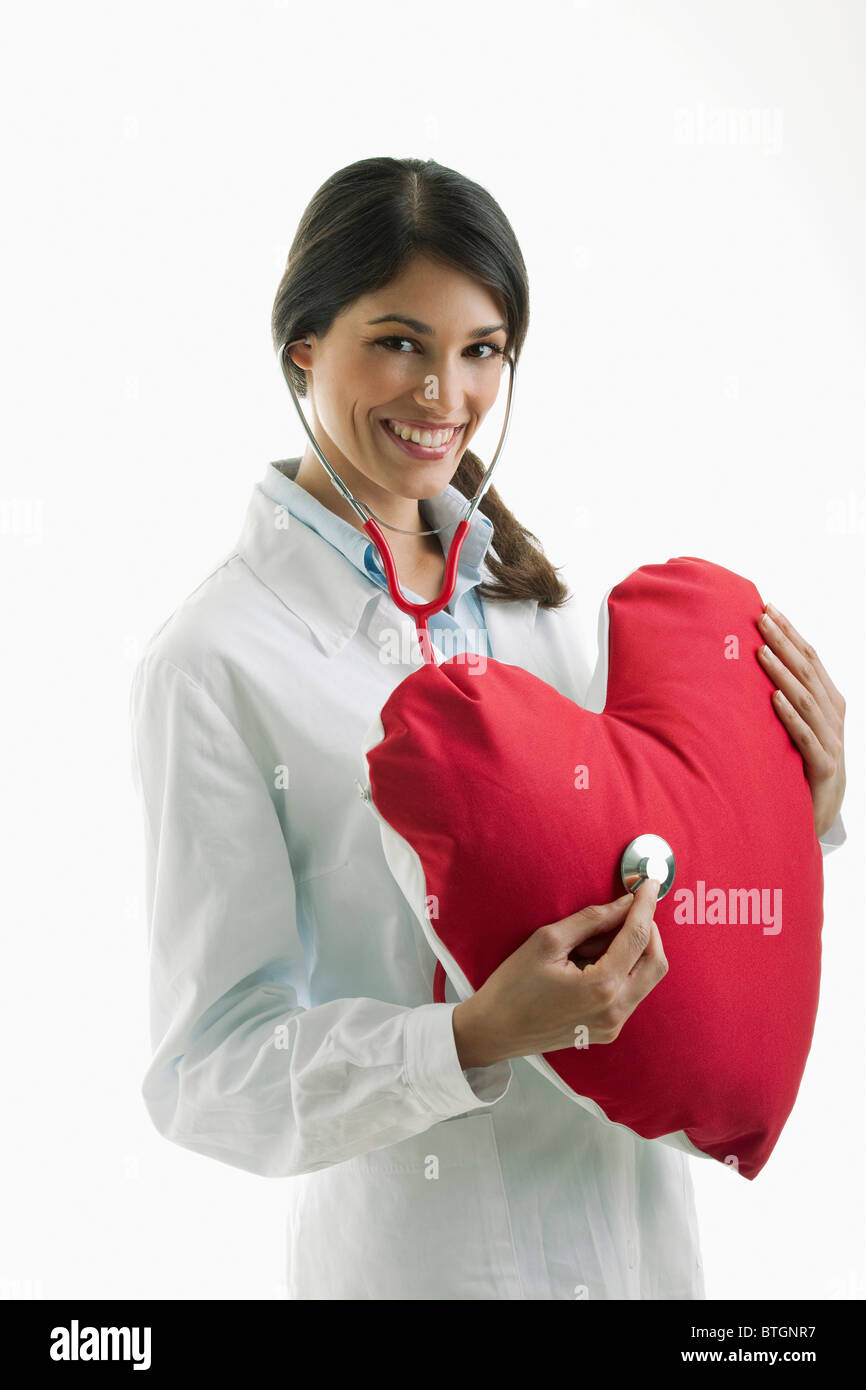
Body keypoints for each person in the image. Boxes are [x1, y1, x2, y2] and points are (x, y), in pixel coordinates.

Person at [129, 156, 847, 1301]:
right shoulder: (215, 659)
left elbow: (650, 881)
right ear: (303, 345)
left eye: (481, 350)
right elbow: (210, 1073)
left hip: (644, 1262)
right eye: (400, 341)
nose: (442, 395)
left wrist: (792, 820)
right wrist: (465, 1038)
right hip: (428, 1267)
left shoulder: (550, 611)